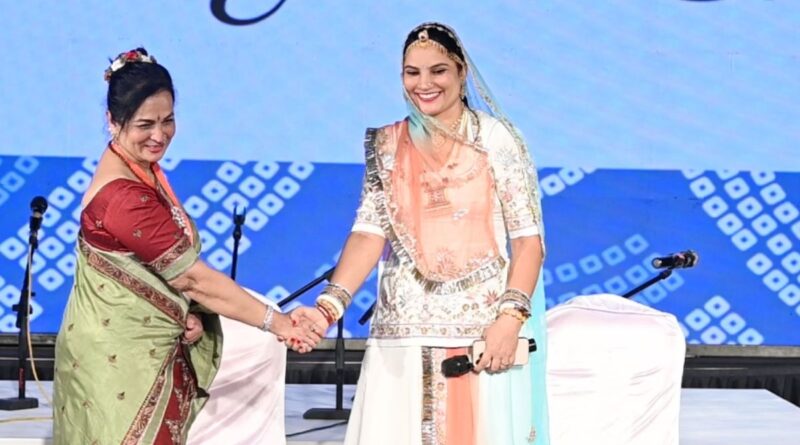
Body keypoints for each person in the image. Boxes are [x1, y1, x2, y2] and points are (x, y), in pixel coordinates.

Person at [293, 22, 551, 444]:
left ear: (461, 72)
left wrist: (509, 320)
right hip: (401, 334)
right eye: (412, 73)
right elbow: (368, 233)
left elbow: (528, 241)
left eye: (438, 71)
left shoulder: (494, 139)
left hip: (479, 335)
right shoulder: (389, 144)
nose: (424, 84)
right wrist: (326, 309)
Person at [52, 48, 321, 445]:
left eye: (168, 120)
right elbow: (192, 279)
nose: (159, 135)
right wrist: (278, 324)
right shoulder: (124, 196)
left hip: (141, 350)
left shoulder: (143, 171)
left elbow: (157, 273)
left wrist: (186, 313)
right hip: (120, 362)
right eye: (145, 124)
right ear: (112, 121)